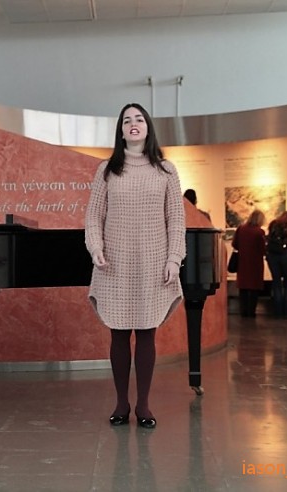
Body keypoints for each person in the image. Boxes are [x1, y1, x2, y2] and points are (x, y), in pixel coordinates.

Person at [84, 103, 186, 429]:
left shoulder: (166, 170)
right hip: (114, 264)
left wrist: (174, 258)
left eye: (139, 119)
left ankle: (143, 405)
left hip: (153, 263)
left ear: (147, 127)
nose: (133, 123)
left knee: (145, 333)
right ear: (121, 130)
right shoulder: (106, 170)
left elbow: (176, 220)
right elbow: (93, 216)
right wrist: (96, 248)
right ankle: (120, 403)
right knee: (118, 333)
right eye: (127, 120)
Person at [265, 210, 287, 318]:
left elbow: (269, 238)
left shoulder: (274, 224)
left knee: (276, 283)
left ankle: (278, 311)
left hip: (273, 255)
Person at [232, 209, 266, 317]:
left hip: (242, 261)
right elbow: (263, 249)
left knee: (243, 287)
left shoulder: (241, 229)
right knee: (254, 288)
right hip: (255, 263)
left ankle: (243, 311)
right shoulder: (259, 232)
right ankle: (251, 311)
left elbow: (235, 244)